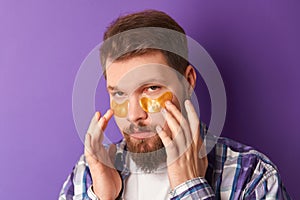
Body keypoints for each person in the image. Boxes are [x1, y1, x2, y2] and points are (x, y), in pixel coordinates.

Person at [59, 10, 290, 200]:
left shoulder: (253, 176)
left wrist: (191, 189)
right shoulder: (87, 174)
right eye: (119, 93)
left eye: (151, 88)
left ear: (188, 81)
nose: (134, 115)